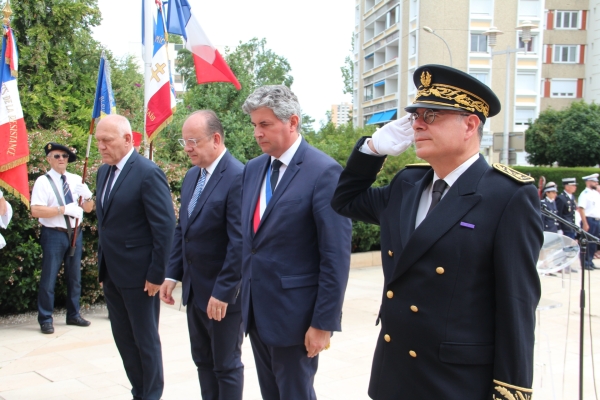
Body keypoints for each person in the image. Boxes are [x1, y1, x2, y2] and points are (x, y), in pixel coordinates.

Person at [331, 65, 543, 399]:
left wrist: (510, 391)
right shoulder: (408, 183)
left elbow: (516, 305)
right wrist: (372, 149)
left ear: (470, 124)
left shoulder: (507, 195)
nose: (417, 124)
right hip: (394, 372)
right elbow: (345, 201)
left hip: (455, 381)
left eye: (431, 115)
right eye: (415, 115)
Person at [240, 85, 352, 400]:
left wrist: (323, 323)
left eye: (265, 124)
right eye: (254, 125)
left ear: (292, 122)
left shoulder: (324, 172)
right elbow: (250, 242)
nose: (257, 133)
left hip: (296, 318)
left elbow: (336, 256)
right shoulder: (253, 169)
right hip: (256, 312)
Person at [160, 110, 244, 400]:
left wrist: (224, 290)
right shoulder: (193, 176)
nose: (187, 148)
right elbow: (183, 228)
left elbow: (239, 242)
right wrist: (172, 274)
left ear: (216, 139)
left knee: (226, 366)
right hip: (195, 291)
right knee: (203, 362)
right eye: (185, 141)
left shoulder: (238, 176)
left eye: (193, 141)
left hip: (222, 296)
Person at [95, 114, 176, 400]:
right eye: (98, 141)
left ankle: (151, 394)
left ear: (128, 139)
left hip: (141, 276)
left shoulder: (147, 172)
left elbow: (165, 228)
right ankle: (138, 391)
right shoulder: (103, 172)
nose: (101, 147)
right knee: (124, 340)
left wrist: (156, 274)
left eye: (107, 140)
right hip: (112, 273)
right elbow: (106, 224)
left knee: (145, 341)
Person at [30, 142, 94, 334]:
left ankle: (73, 314)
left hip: (75, 232)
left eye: (64, 156)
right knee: (49, 277)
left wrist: (88, 197)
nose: (61, 159)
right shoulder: (43, 181)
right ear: (49, 159)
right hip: (54, 234)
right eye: (56, 156)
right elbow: (36, 210)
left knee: (75, 277)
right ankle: (45, 318)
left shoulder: (76, 180)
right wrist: (63, 209)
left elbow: (89, 209)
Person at [578, 173, 600, 270]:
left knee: (593, 242)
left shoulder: (595, 193)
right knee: (587, 242)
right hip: (589, 220)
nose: (596, 183)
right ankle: (585, 262)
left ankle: (590, 261)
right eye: (594, 181)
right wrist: (585, 222)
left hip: (597, 220)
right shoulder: (584, 194)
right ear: (588, 182)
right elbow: (581, 209)